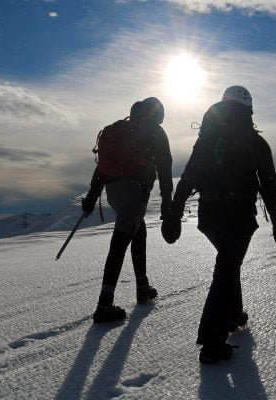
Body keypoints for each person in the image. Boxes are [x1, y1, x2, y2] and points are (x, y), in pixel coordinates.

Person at [161, 86, 276, 363]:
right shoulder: (255, 142)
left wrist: (174, 212)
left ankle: (234, 316)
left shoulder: (207, 137)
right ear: (249, 109)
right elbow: (269, 184)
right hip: (240, 215)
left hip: (209, 216)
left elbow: (188, 176)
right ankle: (212, 341)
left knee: (228, 262)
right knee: (227, 267)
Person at [82, 97, 173, 323]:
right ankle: (104, 304)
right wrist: (167, 200)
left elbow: (102, 168)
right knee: (121, 240)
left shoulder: (119, 131)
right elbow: (164, 167)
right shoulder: (155, 133)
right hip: (134, 190)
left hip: (114, 191)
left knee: (137, 229)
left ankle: (142, 286)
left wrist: (93, 196)